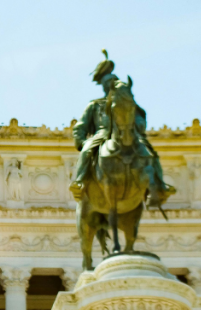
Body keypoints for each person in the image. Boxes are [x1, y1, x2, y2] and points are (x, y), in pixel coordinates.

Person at [70, 51, 175, 207]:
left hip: (129, 134)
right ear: (104, 86)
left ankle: (159, 186)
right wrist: (82, 142)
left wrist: (138, 125)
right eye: (108, 83)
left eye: (113, 82)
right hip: (102, 135)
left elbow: (139, 118)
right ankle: (79, 182)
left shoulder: (127, 102)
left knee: (150, 153)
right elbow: (80, 127)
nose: (110, 86)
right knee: (86, 151)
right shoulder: (95, 105)